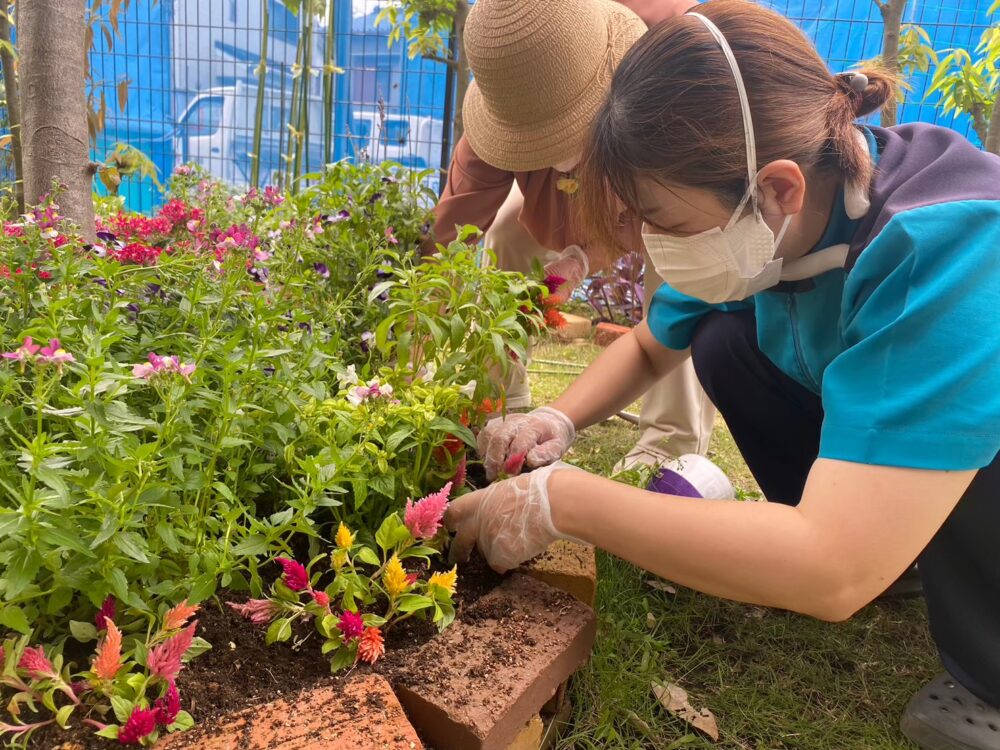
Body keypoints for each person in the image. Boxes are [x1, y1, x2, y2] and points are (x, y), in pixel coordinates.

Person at [445, 3, 1000, 748]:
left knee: (873, 530)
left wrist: (567, 500)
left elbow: (833, 570)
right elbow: (649, 345)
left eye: (663, 222)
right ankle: (888, 559)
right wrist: (558, 422)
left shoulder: (945, 245)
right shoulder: (763, 216)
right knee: (725, 336)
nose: (652, 245)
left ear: (776, 190)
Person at [424, 0, 717, 468]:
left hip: (660, 186)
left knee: (676, 255)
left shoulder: (673, 59)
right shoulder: (517, 75)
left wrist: (584, 255)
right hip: (577, 194)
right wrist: (416, 329)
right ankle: (503, 398)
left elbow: (688, 211)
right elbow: (453, 231)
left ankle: (669, 442)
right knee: (508, 233)